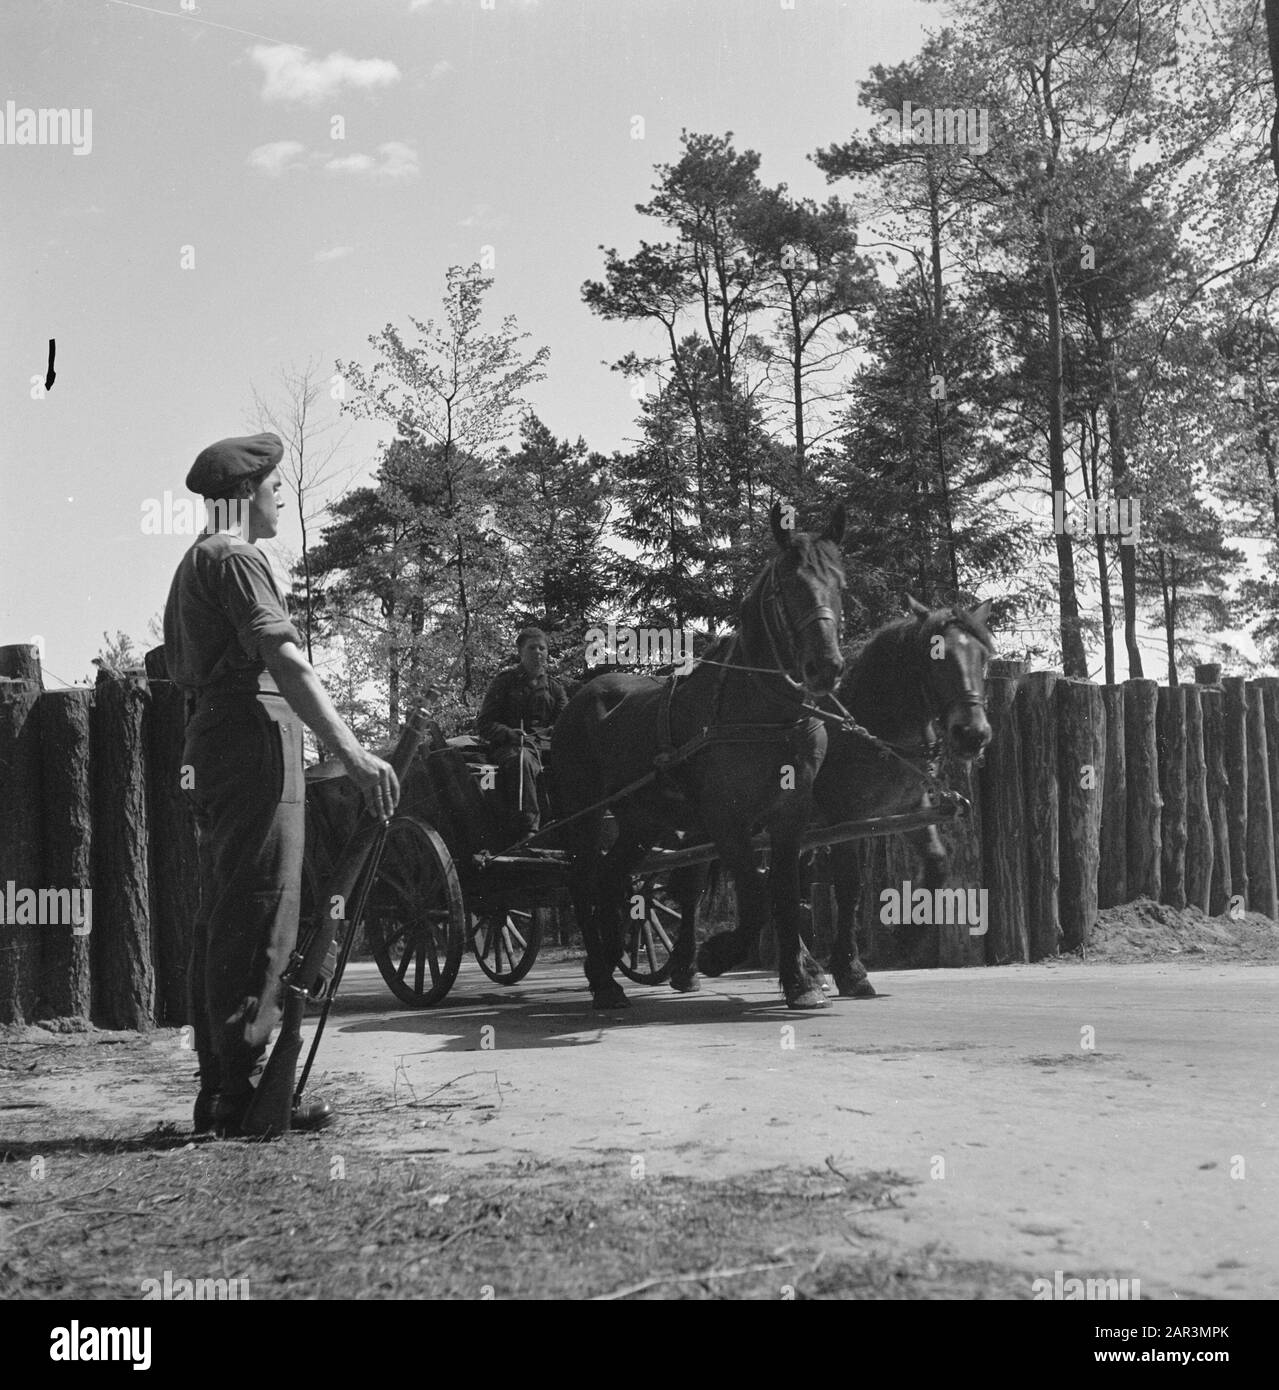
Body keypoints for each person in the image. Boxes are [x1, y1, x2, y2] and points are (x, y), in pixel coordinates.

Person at [163, 433, 399, 1138]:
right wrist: (353, 753)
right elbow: (287, 662)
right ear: (243, 496)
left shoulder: (197, 561)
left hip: (220, 737)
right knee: (264, 910)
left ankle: (224, 1085)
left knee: (230, 908)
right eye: (272, 485)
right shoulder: (237, 558)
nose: (281, 496)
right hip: (252, 734)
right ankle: (239, 1094)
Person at [476, 628, 568, 838]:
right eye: (532, 648)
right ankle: (528, 830)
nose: (538, 652)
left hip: (545, 749)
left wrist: (556, 731)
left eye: (542, 648)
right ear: (520, 652)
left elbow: (565, 723)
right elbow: (484, 724)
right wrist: (509, 733)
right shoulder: (505, 682)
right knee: (522, 761)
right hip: (510, 748)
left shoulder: (555, 688)